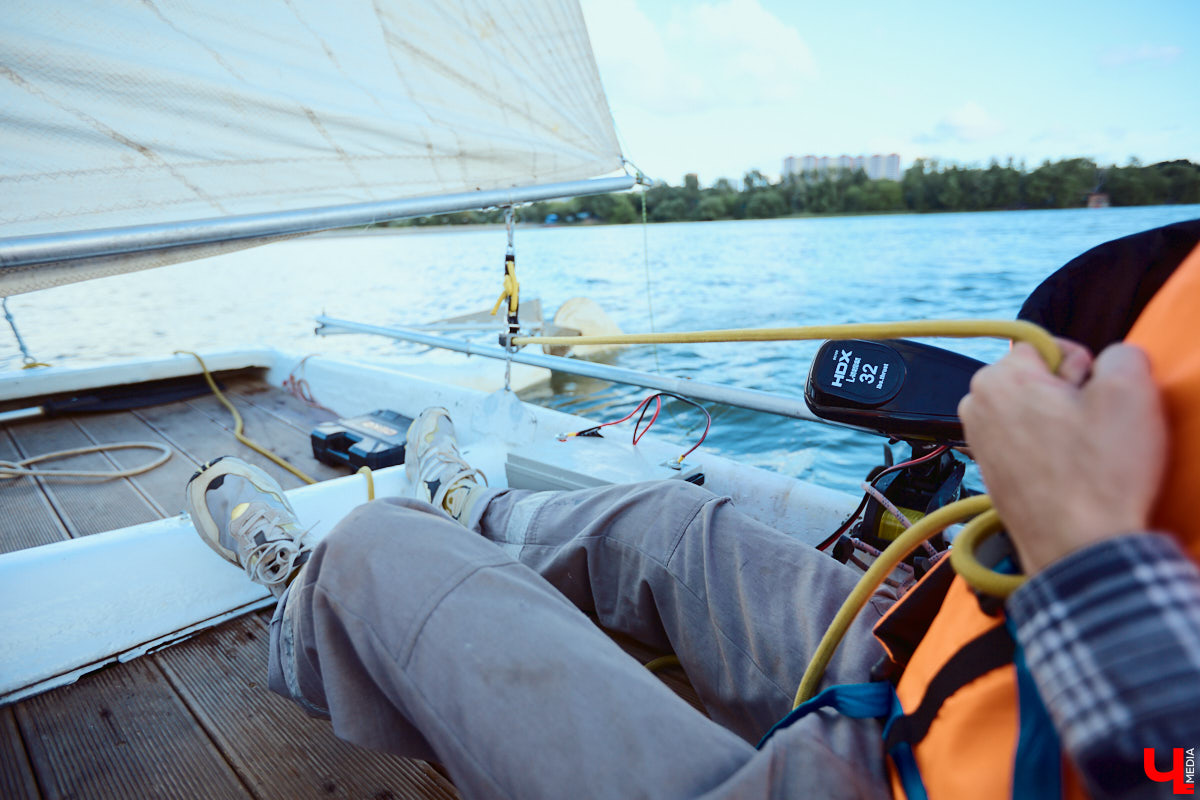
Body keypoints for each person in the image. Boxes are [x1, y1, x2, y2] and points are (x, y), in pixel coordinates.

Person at [186, 239, 1200, 799]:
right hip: (971, 656)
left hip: (952, 758)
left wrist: (1088, 554)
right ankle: (480, 509)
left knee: (376, 549)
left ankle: (308, 591)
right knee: (676, 525)